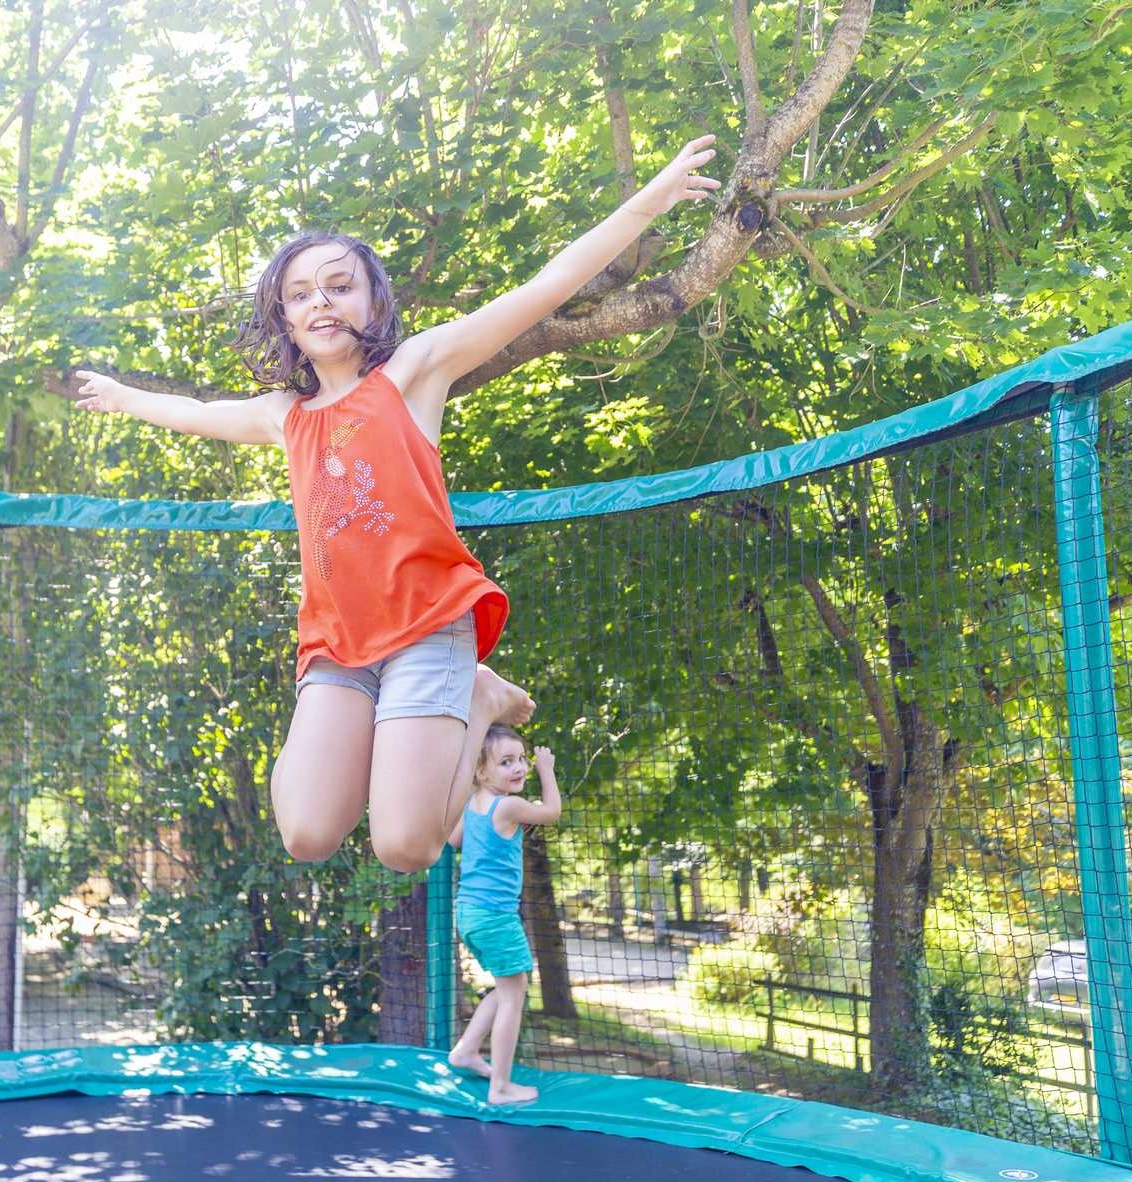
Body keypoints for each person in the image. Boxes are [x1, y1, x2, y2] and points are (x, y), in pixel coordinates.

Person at [74, 136, 719, 871]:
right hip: (337, 644)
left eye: (339, 284)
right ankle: (376, 725)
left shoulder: (413, 374)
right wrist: (125, 399)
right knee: (307, 834)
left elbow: (544, 287)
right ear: (285, 321)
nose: (321, 301)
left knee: (406, 846)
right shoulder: (284, 415)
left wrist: (652, 199)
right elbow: (195, 411)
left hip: (425, 627)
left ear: (373, 300)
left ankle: (476, 698)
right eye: (300, 293)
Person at [446, 725, 562, 1105]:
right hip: (496, 917)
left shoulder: (473, 803)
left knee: (504, 987)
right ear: (482, 772)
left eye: (523, 760)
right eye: (506, 762)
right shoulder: (508, 806)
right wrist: (546, 769)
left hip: (469, 914)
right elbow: (552, 812)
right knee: (515, 995)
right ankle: (500, 1086)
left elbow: (454, 839)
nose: (519, 768)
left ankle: (465, 1050)